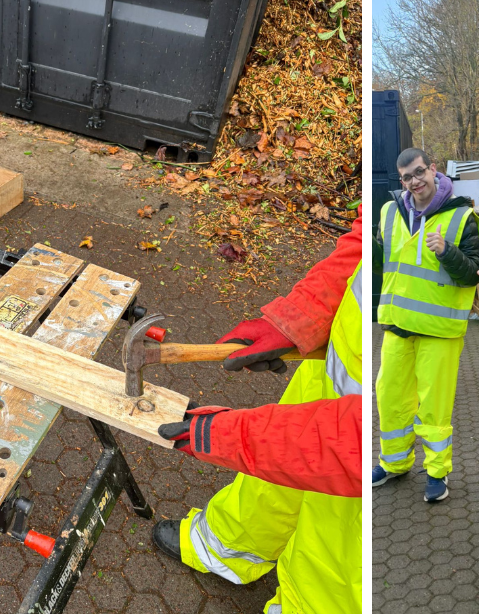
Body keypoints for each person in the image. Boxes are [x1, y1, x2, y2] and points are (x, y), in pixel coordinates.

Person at [152, 213, 362, 614]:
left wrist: (235, 437)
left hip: (358, 442)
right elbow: (362, 245)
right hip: (333, 368)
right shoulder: (391, 206)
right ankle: (224, 547)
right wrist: (299, 320)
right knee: (274, 480)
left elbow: (346, 444)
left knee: (333, 570)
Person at [371, 148, 479, 502]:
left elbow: (472, 276)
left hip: (439, 330)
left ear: (433, 169)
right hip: (397, 325)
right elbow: (380, 265)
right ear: (401, 180)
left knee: (434, 405)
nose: (415, 182)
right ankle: (394, 463)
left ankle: (436, 472)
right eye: (407, 177)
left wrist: (447, 251)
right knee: (389, 397)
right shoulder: (391, 211)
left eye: (420, 172)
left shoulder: (462, 217)